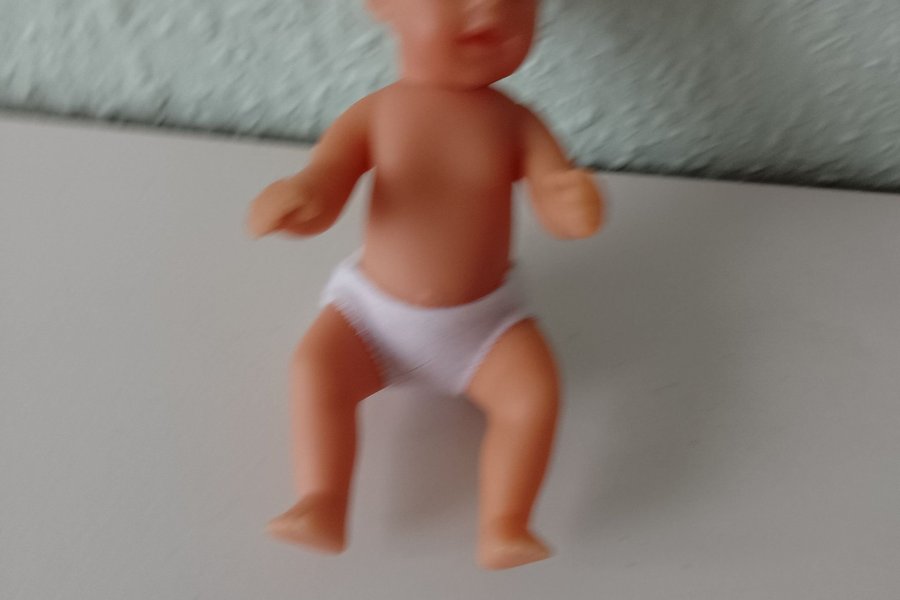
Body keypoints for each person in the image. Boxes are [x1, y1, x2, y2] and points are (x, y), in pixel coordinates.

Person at [247, 0, 604, 569]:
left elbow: (552, 193)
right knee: (315, 369)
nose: (490, 8)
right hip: (370, 319)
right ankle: (321, 501)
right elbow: (327, 182)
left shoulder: (516, 122)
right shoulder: (377, 113)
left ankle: (506, 523)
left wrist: (570, 202)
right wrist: (300, 202)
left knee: (534, 394)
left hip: (485, 327)